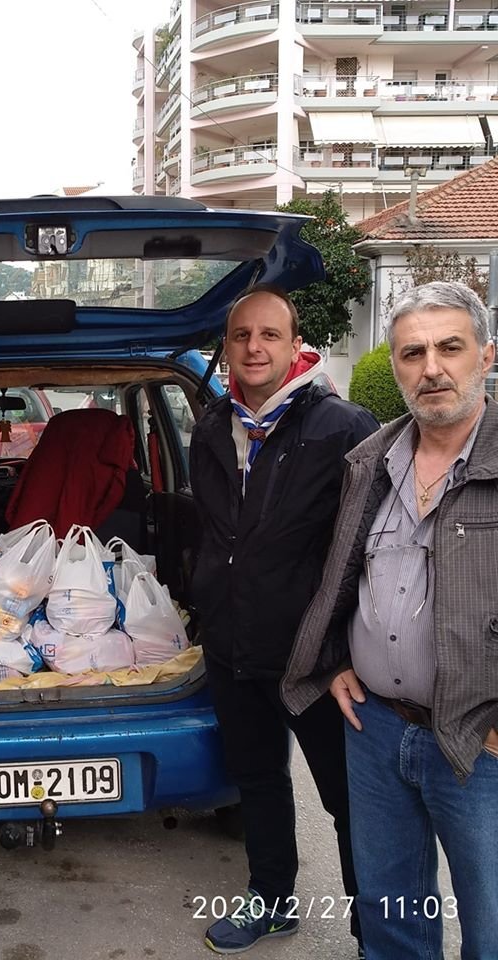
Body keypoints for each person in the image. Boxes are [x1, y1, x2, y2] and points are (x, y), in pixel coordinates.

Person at [282, 281, 498, 960]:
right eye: (412, 352)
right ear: (396, 365)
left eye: (449, 347)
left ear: (486, 356)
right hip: (375, 728)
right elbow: (347, 575)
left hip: (479, 742)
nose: (431, 367)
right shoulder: (371, 460)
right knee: (392, 917)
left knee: (491, 929)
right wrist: (334, 660)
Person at [190, 285, 377, 956]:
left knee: (350, 802)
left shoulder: (344, 428)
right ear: (227, 348)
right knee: (259, 782)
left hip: (317, 659)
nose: (254, 347)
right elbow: (215, 533)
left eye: (269, 335)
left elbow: (369, 551)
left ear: (295, 344)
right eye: (242, 336)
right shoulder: (212, 425)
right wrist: (205, 600)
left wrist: (348, 650)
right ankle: (271, 902)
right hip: (232, 647)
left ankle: (375, 933)